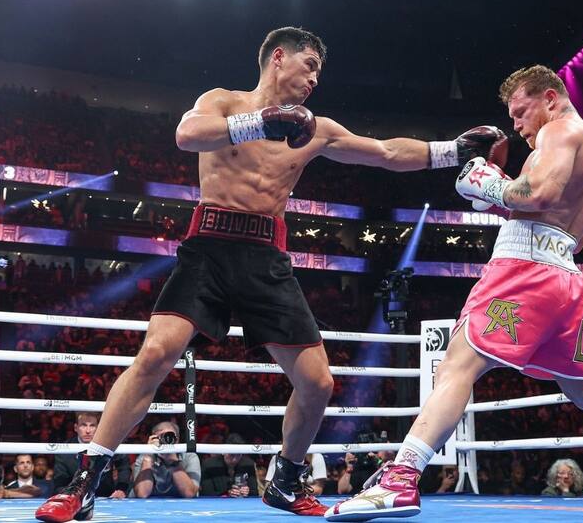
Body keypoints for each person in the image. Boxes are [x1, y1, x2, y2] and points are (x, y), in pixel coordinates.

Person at [35, 26, 505, 522]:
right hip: (209, 247)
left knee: (317, 383)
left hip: (265, 257)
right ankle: (84, 482)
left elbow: (385, 152)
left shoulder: (317, 128)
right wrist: (260, 122)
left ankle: (285, 480)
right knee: (155, 354)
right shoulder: (223, 101)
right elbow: (186, 135)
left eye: (319, 72)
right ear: (279, 57)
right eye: (310, 65)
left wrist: (452, 150)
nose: (315, 79)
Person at [325, 65, 583, 521]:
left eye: (520, 112)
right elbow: (547, 214)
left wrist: (487, 181)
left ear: (550, 98)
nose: (516, 125)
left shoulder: (560, 131)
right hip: (562, 275)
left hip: (524, 270)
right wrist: (496, 196)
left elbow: (539, 194)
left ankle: (401, 479)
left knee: (457, 365)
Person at [50, 413, 131, 499]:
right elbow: (59, 483)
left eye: (92, 426)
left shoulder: (109, 444)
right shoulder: (64, 451)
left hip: (106, 496)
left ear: (98, 428)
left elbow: (124, 467)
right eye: (83, 425)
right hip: (75, 498)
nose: (88, 431)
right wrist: (70, 495)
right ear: (76, 428)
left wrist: (121, 489)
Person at [131, 421, 200, 499]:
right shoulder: (145, 457)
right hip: (149, 505)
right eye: (161, 436)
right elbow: (142, 494)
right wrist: (148, 456)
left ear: (177, 439)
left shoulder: (189, 457)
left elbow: (189, 493)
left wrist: (173, 462)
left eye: (170, 436)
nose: (167, 439)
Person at [200, 433, 259, 497]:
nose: (235, 459)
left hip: (243, 502)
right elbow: (206, 493)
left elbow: (255, 493)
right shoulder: (209, 465)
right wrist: (227, 494)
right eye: (232, 455)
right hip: (217, 502)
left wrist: (248, 491)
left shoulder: (248, 464)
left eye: (238, 455)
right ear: (223, 452)